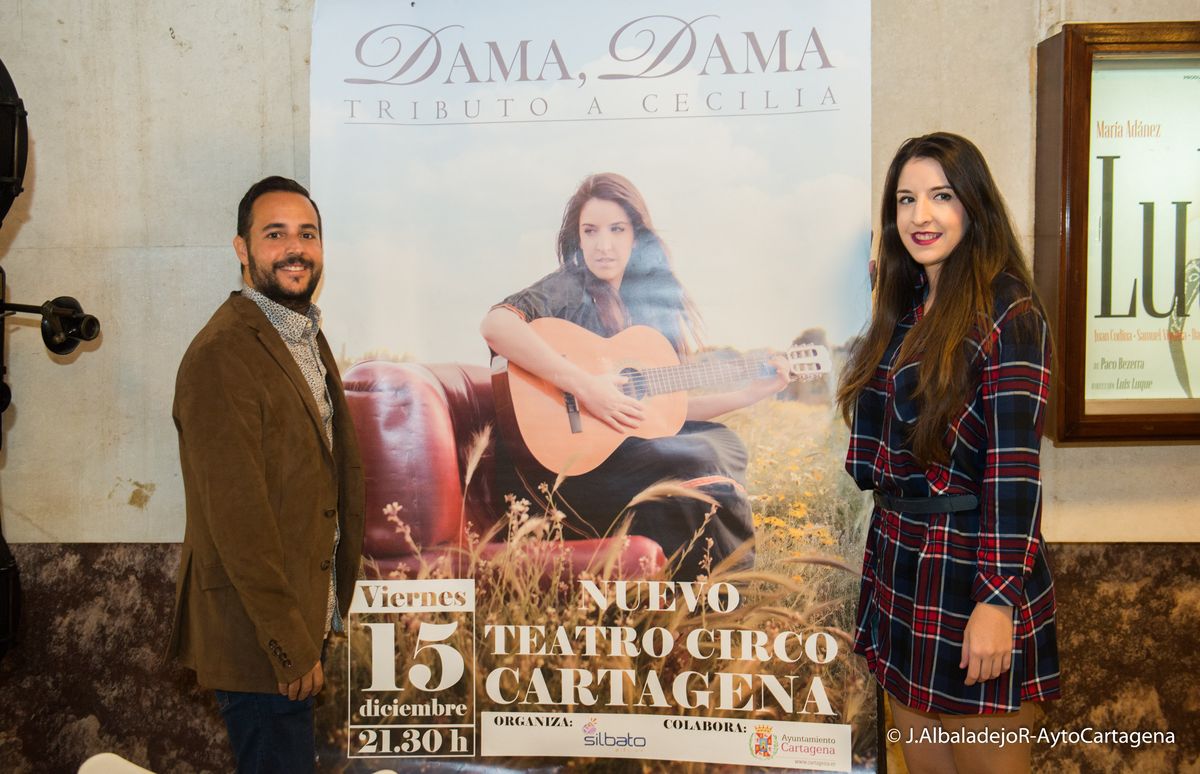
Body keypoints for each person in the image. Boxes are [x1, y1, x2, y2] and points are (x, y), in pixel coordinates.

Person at [836, 133, 1059, 773]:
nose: (920, 216)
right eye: (906, 200)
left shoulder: (1007, 310)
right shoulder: (904, 309)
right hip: (902, 564)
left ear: (974, 205)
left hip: (970, 570)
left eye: (941, 196)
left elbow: (1015, 469)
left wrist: (996, 599)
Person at [481, 172, 790, 581]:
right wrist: (587, 387)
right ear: (578, 237)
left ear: (635, 236)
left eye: (616, 229)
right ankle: (719, 589)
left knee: (722, 441)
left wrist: (750, 393)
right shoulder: (570, 286)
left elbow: (667, 411)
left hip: (619, 454)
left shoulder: (639, 310)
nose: (603, 244)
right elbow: (497, 323)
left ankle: (702, 582)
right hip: (566, 472)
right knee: (696, 457)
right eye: (590, 231)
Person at [167, 176, 365, 773]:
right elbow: (237, 519)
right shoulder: (223, 353)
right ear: (241, 249)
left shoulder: (303, 335)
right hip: (259, 641)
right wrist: (289, 643)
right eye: (274, 234)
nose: (294, 248)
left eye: (307, 234)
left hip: (294, 624)